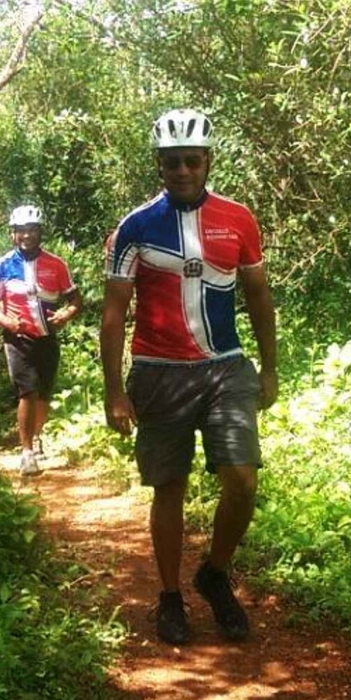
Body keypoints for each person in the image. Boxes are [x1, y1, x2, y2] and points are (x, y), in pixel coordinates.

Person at [100, 109, 278, 645]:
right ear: (159, 164)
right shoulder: (134, 228)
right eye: (172, 162)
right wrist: (113, 390)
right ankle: (171, 595)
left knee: (242, 480)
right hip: (159, 373)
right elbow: (113, 313)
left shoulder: (238, 218)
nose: (182, 171)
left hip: (226, 367)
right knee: (169, 487)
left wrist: (270, 367)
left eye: (191, 161)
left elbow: (258, 295)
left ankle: (215, 574)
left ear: (208, 161)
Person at [0, 205, 82, 476]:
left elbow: (75, 299)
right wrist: (6, 322)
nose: (27, 235)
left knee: (43, 393)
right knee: (27, 391)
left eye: (32, 230)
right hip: (18, 339)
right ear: (12, 234)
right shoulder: (3, 266)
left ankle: (36, 436)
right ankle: (26, 452)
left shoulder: (56, 264)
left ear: (40, 232)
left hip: (47, 337)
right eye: (21, 230)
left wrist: (65, 314)